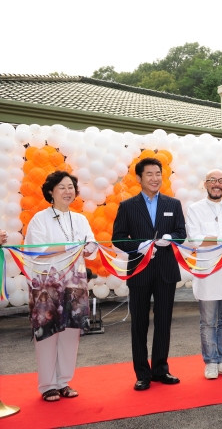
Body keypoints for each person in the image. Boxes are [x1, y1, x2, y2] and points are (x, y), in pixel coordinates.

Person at [113, 158, 187, 391]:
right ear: (139, 178)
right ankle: (142, 373)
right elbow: (118, 237)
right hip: (140, 270)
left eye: (158, 174)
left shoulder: (173, 204)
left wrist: (170, 238)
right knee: (140, 324)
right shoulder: (127, 206)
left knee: (164, 322)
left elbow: (181, 232)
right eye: (150, 174)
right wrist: (138, 246)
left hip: (165, 270)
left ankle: (160, 369)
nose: (155, 178)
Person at [24, 171, 98, 402]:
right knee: (47, 334)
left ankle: (64, 381)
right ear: (50, 192)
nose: (68, 191)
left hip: (74, 283)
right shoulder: (40, 218)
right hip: (47, 284)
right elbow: (37, 251)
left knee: (71, 333)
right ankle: (47, 385)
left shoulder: (80, 219)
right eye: (62, 187)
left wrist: (88, 248)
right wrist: (70, 247)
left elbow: (92, 243)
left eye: (71, 187)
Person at [186, 169, 222, 379]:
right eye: (213, 180)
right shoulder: (195, 209)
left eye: (221, 181)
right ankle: (210, 361)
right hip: (208, 271)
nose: (217, 184)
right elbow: (195, 239)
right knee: (209, 321)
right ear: (206, 184)